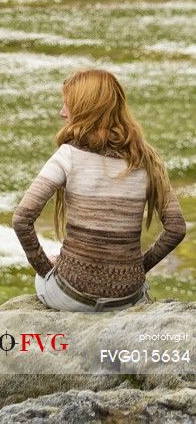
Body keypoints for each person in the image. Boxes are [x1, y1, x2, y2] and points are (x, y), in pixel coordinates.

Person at [12, 68, 187, 312]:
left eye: (68, 105)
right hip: (127, 299)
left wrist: (48, 271)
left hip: (70, 298)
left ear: (86, 109)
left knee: (46, 269)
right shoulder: (146, 159)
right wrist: (137, 268)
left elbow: (21, 219)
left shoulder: (68, 156)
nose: (62, 113)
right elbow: (177, 228)